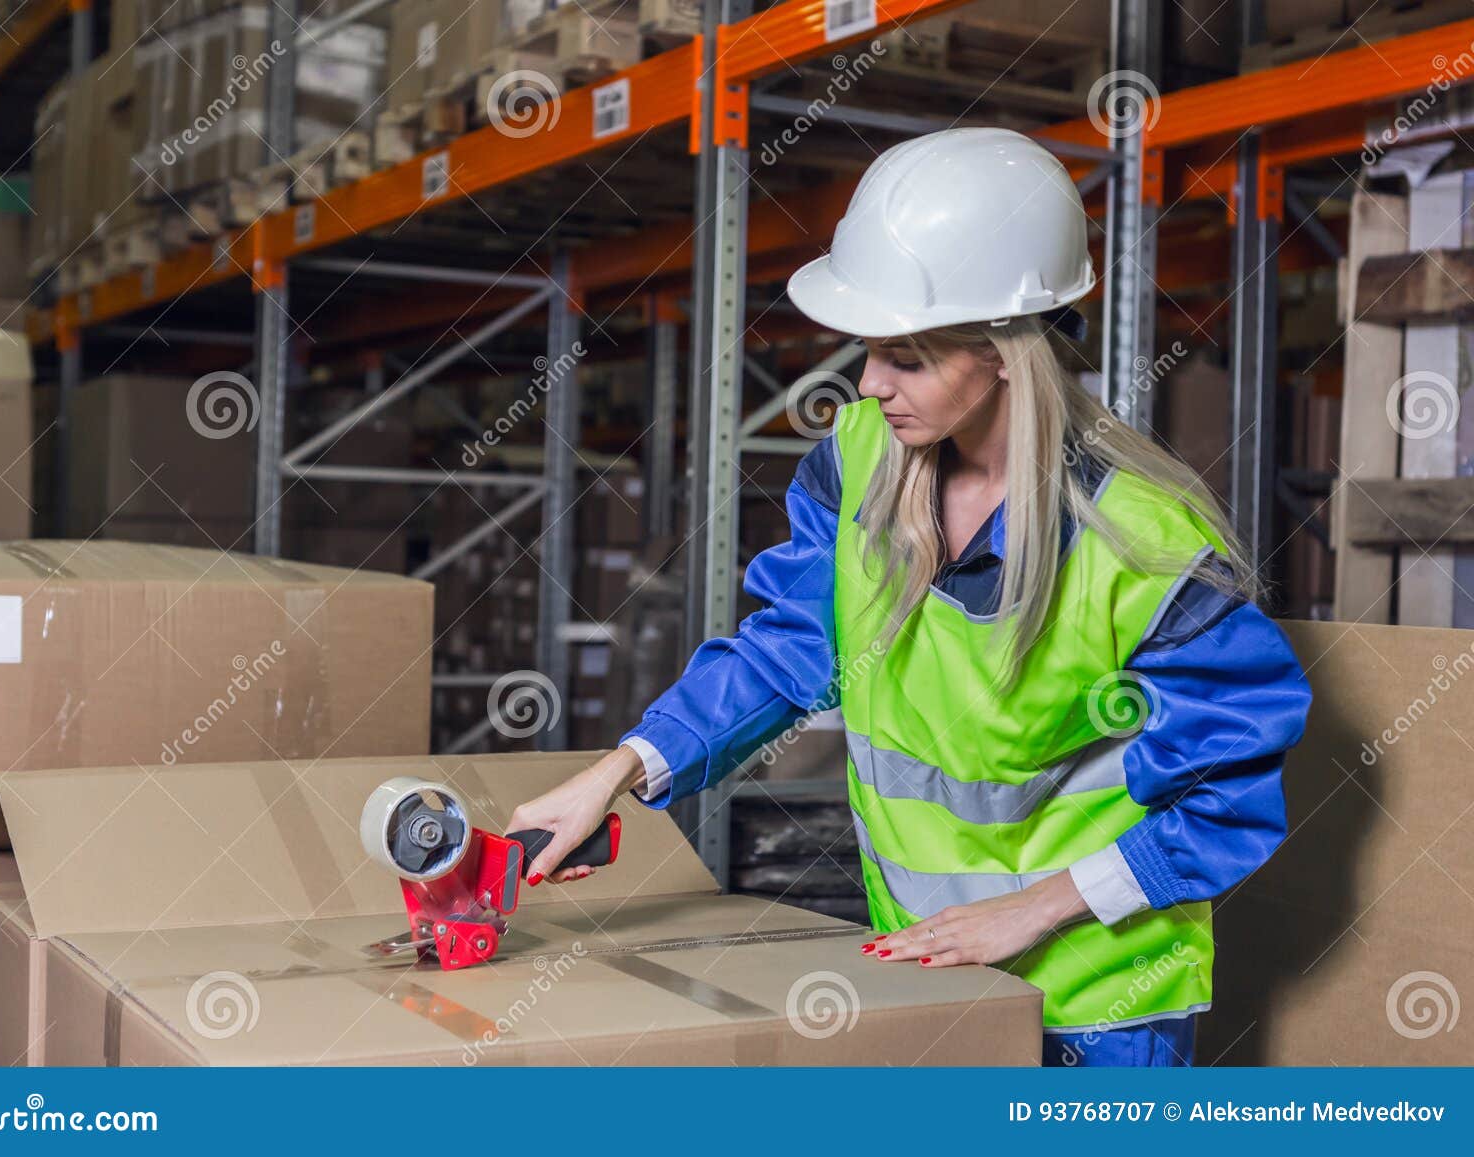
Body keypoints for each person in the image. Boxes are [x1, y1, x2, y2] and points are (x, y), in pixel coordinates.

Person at [507, 127, 1312, 1068]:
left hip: (1103, 998)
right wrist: (618, 773)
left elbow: (1233, 792)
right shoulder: (856, 468)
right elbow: (786, 651)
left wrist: (1034, 908)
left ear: (1008, 352)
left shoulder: (1143, 545)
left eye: (910, 357)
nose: (869, 384)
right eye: (869, 350)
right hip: (933, 966)